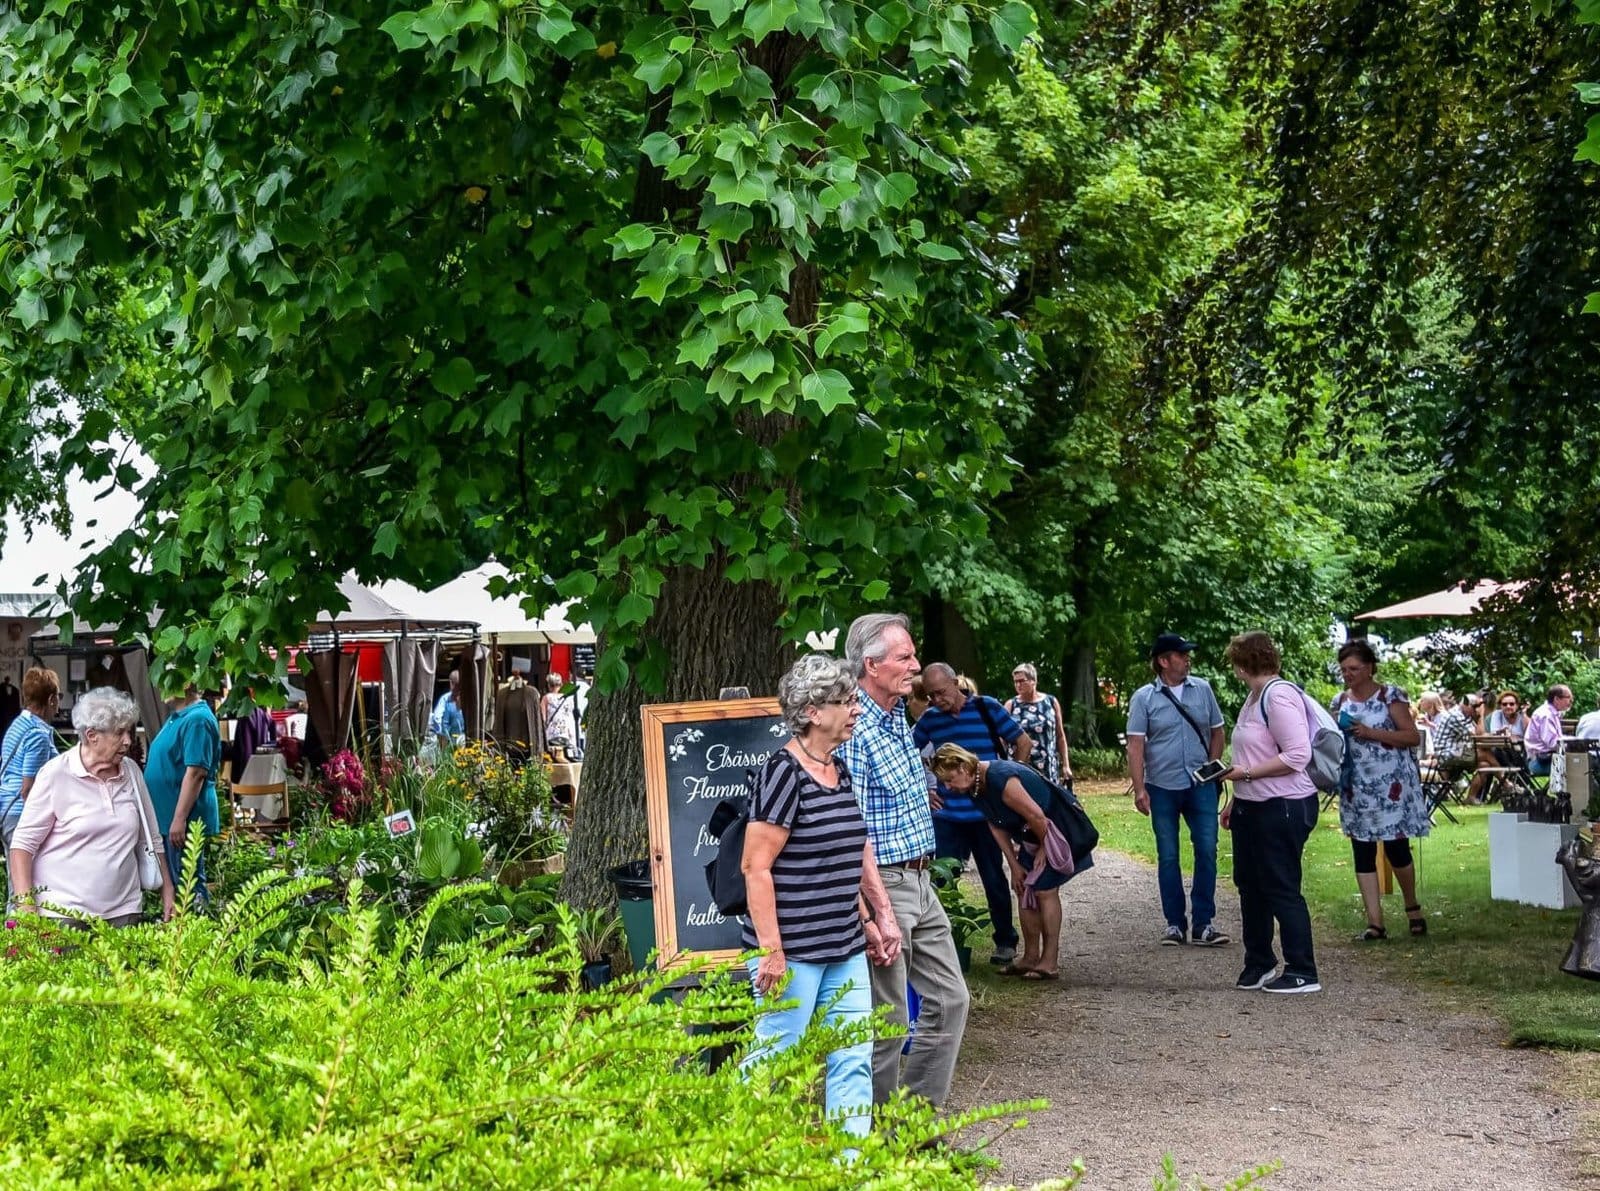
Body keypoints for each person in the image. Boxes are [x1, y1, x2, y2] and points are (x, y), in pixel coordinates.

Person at [741, 654, 902, 1143]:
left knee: (853, 1054)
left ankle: (848, 1163)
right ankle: (740, 1155)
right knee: (776, 1057)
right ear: (813, 711)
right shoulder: (783, 773)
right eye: (846, 701)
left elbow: (843, 857)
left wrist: (869, 921)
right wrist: (771, 949)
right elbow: (756, 867)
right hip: (794, 952)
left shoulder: (838, 769)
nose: (856, 709)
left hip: (844, 945)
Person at [836, 613, 969, 1108]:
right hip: (882, 884)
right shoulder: (855, 729)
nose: (916, 664)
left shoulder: (896, 718)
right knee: (886, 1018)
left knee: (949, 999)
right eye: (905, 656)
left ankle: (914, 1120)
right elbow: (852, 831)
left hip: (920, 879)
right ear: (870, 664)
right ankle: (872, 1134)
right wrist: (872, 913)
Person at [9, 687, 174, 925]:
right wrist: (26, 906)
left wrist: (167, 889)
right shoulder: (56, 774)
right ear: (92, 735)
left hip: (124, 912)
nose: (128, 741)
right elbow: (22, 846)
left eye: (128, 731)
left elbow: (151, 839)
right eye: (119, 733)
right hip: (63, 914)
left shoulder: (132, 772)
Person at [1216, 631, 1321, 994]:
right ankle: (1258, 961)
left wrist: (1244, 775)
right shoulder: (1253, 698)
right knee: (1249, 884)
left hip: (1284, 805)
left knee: (1281, 885)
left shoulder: (1278, 697)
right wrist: (1237, 796)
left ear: (1244, 663)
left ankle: (1302, 969)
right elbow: (1253, 754)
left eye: (1235, 662)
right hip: (1253, 804)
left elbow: (1297, 755)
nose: (1234, 670)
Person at [911, 662, 1029, 967]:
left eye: (940, 693)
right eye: (930, 695)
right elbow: (906, 752)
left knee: (993, 878)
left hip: (986, 813)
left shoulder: (987, 708)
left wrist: (1009, 780)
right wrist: (923, 789)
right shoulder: (930, 720)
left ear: (955, 683)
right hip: (948, 815)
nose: (937, 700)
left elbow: (1022, 742)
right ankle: (943, 944)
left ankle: (1005, 941)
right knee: (941, 880)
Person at [930, 744, 1071, 979]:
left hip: (1054, 831)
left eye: (950, 779)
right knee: (1024, 887)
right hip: (1032, 835)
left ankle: (1049, 961)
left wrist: (1044, 851)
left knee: (1045, 889)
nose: (948, 787)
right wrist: (1014, 864)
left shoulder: (1000, 778)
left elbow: (1038, 816)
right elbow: (995, 824)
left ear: (964, 767)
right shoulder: (976, 787)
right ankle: (1030, 957)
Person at [1126, 633, 1229, 947]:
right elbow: (1135, 745)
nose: (1187, 659)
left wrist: (1212, 768)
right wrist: (1140, 788)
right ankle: (1174, 923)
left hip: (1200, 785)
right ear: (1163, 661)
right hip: (1162, 785)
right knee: (1168, 855)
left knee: (1207, 849)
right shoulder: (1144, 697)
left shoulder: (1203, 689)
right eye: (1181, 655)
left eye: (1187, 655)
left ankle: (1203, 923)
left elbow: (1218, 731)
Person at [1332, 640, 1430, 941]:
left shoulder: (1390, 696)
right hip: (1357, 785)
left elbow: (1412, 737)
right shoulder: (1340, 701)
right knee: (1362, 850)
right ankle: (1375, 922)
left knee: (1396, 848)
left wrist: (1371, 732)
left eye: (1355, 668)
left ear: (1370, 667)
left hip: (1392, 787)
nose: (1348, 674)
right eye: (1344, 669)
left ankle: (1412, 906)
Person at [144, 686, 223, 900]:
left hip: (182, 821)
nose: (161, 686)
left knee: (188, 883)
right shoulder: (179, 717)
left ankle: (195, 927)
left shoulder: (197, 719)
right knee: (179, 882)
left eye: (169, 680)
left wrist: (179, 818)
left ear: (186, 684)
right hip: (169, 819)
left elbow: (196, 771)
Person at [1, 667, 60, 864]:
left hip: (7, 809)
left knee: (16, 878)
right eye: (58, 697)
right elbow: (29, 789)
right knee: (24, 882)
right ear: (51, 699)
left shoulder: (18, 724)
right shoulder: (37, 735)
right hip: (20, 815)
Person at [1005, 663, 1071, 784]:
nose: (1018, 685)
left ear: (1033, 681)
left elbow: (1060, 736)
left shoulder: (1051, 702)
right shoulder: (1011, 705)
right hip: (1020, 767)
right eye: (1015, 682)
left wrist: (1066, 765)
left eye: (1022, 681)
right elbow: (1002, 739)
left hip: (1047, 767)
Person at [1431, 691, 1485, 802]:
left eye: (1479, 707)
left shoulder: (1465, 715)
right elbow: (1477, 736)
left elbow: (1479, 735)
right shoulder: (1455, 716)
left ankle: (1471, 797)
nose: (1476, 709)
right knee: (1484, 754)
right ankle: (1505, 781)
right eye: (1475, 707)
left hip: (1456, 752)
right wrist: (1481, 716)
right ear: (1465, 704)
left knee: (1485, 764)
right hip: (1444, 754)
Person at [1523, 684, 1573, 776]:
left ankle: (1565, 790)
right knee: (1579, 764)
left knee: (1581, 761)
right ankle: (1568, 790)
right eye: (1568, 697)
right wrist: (1574, 743)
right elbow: (1553, 743)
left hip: (1548, 758)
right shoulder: (1546, 715)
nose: (1571, 701)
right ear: (1557, 699)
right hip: (1540, 762)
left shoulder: (1551, 713)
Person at [543, 671, 578, 759]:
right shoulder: (568, 698)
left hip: (551, 735)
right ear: (561, 684)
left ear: (549, 685)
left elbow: (542, 718)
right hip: (566, 734)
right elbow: (570, 717)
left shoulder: (546, 698)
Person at [429, 670, 465, 744]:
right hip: (462, 738)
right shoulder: (467, 699)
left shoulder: (445, 698)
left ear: (451, 683)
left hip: (447, 739)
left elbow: (437, 717)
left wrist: (439, 732)